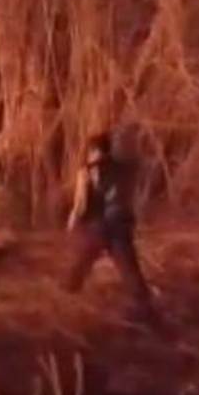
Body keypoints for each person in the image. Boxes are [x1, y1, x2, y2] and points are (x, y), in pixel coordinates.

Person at [64, 132, 159, 321]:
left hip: (100, 224)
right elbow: (135, 188)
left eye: (90, 151)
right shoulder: (125, 168)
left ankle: (68, 292)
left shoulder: (86, 171)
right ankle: (143, 303)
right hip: (122, 222)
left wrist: (73, 220)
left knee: (84, 256)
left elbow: (81, 203)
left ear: (94, 150)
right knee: (127, 264)